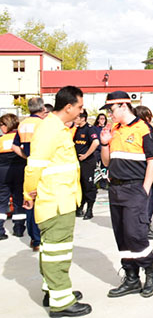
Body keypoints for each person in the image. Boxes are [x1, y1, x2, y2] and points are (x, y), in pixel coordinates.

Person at [23, 86, 92, 317]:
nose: (82, 111)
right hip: (55, 201)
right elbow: (34, 166)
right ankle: (61, 302)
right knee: (58, 252)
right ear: (69, 106)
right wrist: (28, 193)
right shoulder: (49, 130)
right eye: (80, 106)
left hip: (61, 198)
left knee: (51, 249)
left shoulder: (57, 128)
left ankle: (52, 290)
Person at [100, 91, 153, 298]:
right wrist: (104, 143)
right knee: (122, 236)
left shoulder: (143, 129)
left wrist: (145, 188)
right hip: (115, 188)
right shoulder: (113, 130)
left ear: (124, 106)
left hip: (135, 188)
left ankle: (150, 270)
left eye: (111, 109)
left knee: (135, 233)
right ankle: (132, 278)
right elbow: (106, 162)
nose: (109, 114)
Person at [12, 96, 48, 250]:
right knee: (43, 202)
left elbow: (15, 146)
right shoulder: (43, 124)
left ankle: (35, 239)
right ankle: (42, 236)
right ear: (42, 108)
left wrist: (27, 157)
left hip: (30, 167)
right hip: (44, 167)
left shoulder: (23, 124)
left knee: (30, 201)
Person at [133, 106, 153, 240]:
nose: (151, 119)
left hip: (137, 171)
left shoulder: (132, 130)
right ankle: (145, 226)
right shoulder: (147, 131)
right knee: (148, 200)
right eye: (149, 116)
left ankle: (140, 225)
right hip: (148, 171)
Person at [0, 114, 23, 241]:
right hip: (19, 171)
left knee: (2, 201)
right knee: (18, 199)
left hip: (3, 172)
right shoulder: (20, 139)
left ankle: (0, 230)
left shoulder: (1, 140)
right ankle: (19, 229)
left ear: (7, 124)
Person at [73, 112, 100, 220]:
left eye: (77, 117)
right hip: (78, 162)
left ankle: (89, 209)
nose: (75, 119)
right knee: (80, 185)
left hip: (87, 162)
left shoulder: (89, 129)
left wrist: (86, 155)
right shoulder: (77, 129)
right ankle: (79, 207)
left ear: (83, 118)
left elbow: (96, 142)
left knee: (89, 186)